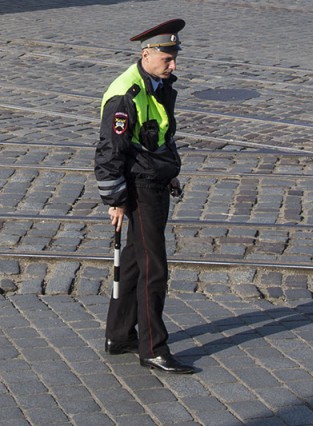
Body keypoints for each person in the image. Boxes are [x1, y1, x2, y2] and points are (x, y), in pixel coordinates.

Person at [94, 19, 194, 374]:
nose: (174, 65)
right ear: (147, 54)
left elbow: (158, 137)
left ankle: (120, 335)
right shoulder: (127, 93)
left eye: (175, 56)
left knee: (136, 262)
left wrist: (170, 173)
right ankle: (153, 347)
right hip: (139, 190)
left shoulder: (157, 83)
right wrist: (116, 200)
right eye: (167, 58)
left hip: (153, 182)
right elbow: (109, 152)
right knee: (154, 269)